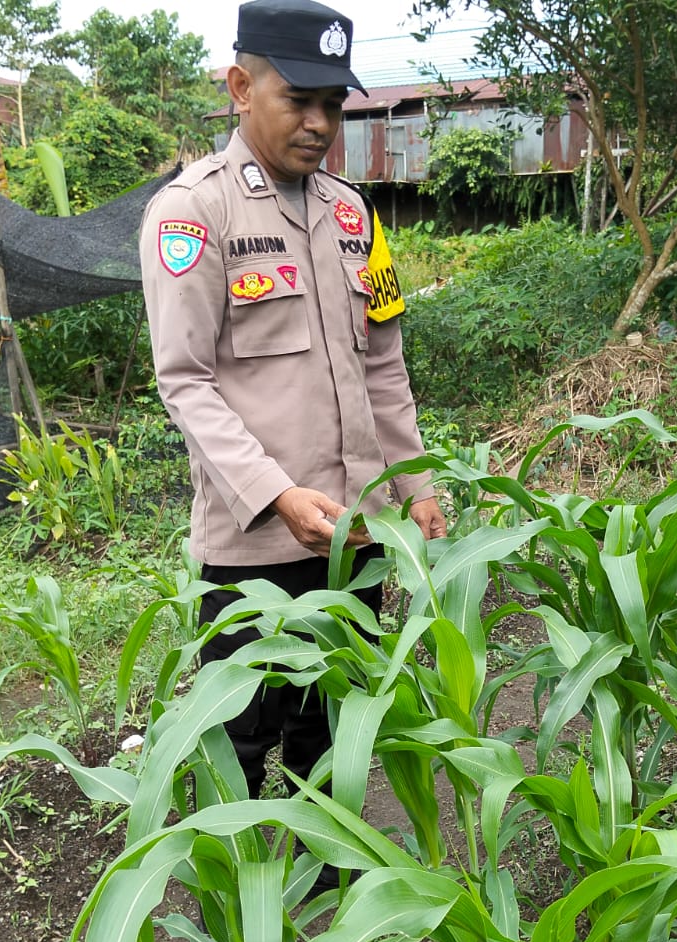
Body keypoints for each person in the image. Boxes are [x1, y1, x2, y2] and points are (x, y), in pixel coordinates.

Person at [139, 0, 447, 801]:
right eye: (298, 100)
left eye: (333, 105)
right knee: (238, 746)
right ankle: (237, 880)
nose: (319, 124)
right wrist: (276, 494)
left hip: (354, 537)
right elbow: (185, 381)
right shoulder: (193, 212)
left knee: (335, 735)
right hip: (255, 553)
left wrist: (415, 485)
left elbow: (384, 365)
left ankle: (333, 872)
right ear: (241, 89)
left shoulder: (353, 213)